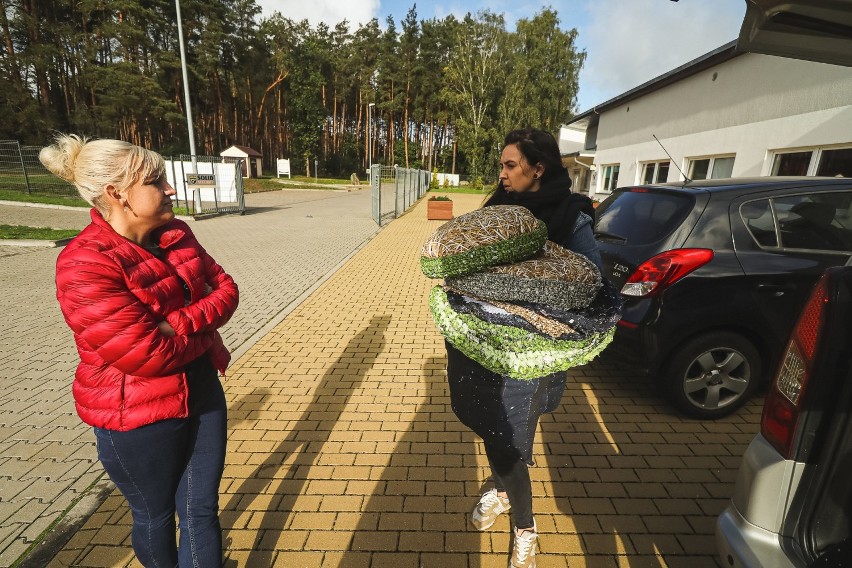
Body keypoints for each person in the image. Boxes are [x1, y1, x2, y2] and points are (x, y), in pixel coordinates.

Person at [42, 134, 239, 567]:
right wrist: (197, 326)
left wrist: (177, 323)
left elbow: (227, 290)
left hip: (202, 392)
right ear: (116, 194)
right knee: (154, 516)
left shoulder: (178, 234)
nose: (170, 189)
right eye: (156, 181)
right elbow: (146, 355)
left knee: (200, 510)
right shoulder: (85, 262)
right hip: (136, 414)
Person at [445, 128, 602, 568]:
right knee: (494, 429)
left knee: (510, 441)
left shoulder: (571, 218)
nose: (503, 173)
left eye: (510, 165)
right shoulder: (497, 209)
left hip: (530, 356)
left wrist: (531, 289)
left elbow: (594, 282)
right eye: (502, 164)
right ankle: (500, 489)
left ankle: (525, 527)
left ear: (539, 168)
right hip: (486, 349)